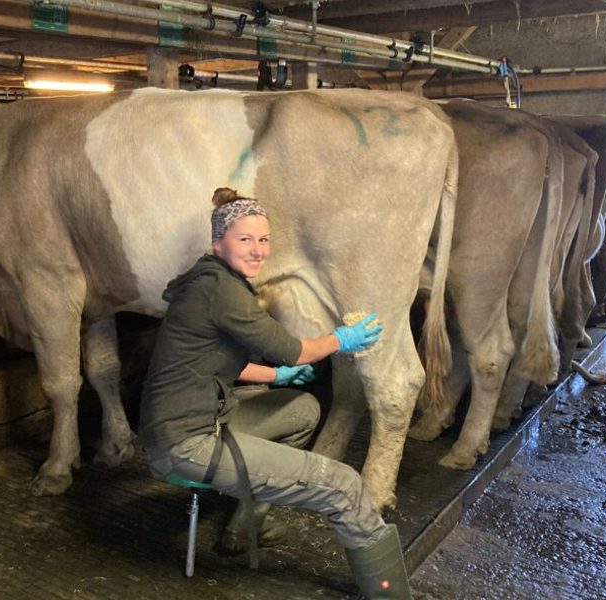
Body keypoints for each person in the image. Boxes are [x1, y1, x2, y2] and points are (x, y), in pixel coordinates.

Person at [139, 187, 411, 599]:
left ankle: (248, 523)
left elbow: (215, 361)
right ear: (218, 243)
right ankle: (391, 593)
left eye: (263, 240)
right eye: (245, 240)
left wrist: (277, 377)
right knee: (343, 486)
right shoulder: (223, 292)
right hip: (185, 442)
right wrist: (342, 339)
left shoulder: (208, 279)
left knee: (301, 409)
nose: (257, 250)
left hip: (200, 419)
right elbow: (292, 348)